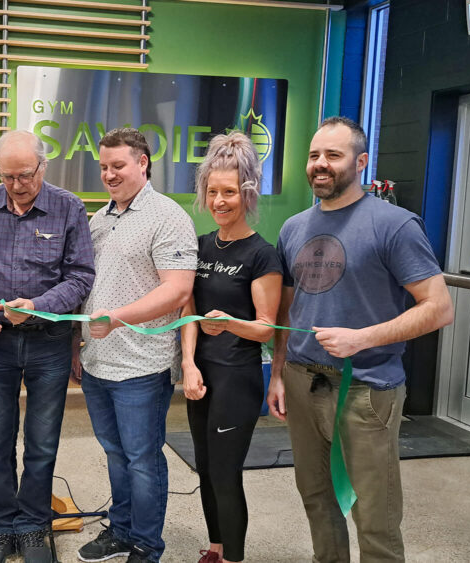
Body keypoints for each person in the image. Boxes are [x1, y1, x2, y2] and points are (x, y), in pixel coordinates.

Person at [266, 117, 454, 562]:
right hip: (301, 380)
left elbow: (439, 308)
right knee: (317, 498)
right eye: (314, 155)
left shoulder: (395, 225)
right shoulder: (293, 228)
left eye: (333, 155)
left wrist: (362, 338)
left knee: (375, 515)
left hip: (366, 389)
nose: (320, 165)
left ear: (361, 162)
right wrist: (277, 374)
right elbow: (287, 313)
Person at [0, 130, 95, 563]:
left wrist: (37, 307)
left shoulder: (68, 207)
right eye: (8, 177)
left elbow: (80, 277)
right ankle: (3, 524)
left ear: (42, 167)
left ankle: (35, 524)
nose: (17, 186)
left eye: (25, 176)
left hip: (50, 343)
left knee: (41, 441)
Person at [77, 128, 197, 563]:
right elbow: (91, 288)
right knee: (115, 454)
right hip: (97, 362)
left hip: (141, 366)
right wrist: (81, 342)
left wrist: (118, 318)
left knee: (143, 459)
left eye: (118, 166)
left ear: (143, 163)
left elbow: (178, 290)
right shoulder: (98, 218)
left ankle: (146, 544)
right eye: (104, 167)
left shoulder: (169, 217)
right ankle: (122, 530)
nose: (109, 174)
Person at [179, 132, 282, 563]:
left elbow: (266, 329)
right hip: (201, 374)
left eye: (230, 193)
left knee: (224, 473)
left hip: (238, 379)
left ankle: (235, 558)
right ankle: (217, 549)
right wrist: (187, 363)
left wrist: (229, 323)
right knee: (204, 469)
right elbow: (188, 310)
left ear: (248, 194)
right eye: (213, 192)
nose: (220, 201)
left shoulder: (262, 255)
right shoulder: (200, 246)